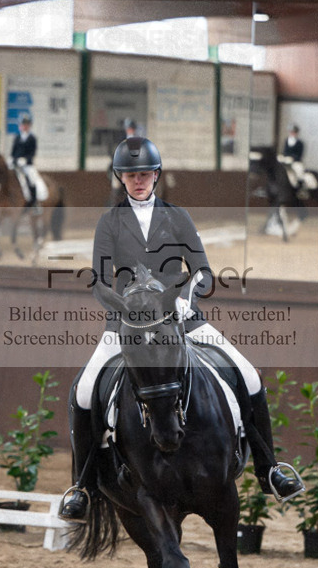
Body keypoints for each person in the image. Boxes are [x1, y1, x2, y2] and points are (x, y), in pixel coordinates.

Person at [59, 135, 303, 521]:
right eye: (130, 175)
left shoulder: (179, 217)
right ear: (120, 178)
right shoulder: (109, 222)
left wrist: (190, 292)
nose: (138, 180)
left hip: (183, 320)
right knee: (84, 391)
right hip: (129, 325)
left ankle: (269, 468)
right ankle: (83, 487)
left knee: (250, 376)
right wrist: (123, 308)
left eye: (145, 174)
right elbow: (101, 280)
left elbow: (204, 271)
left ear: (156, 175)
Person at [8, 115, 47, 205]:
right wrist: (13, 159)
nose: (24, 126)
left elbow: (32, 153)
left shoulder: (32, 138)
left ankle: (35, 203)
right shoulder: (17, 138)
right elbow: (13, 152)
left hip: (27, 165)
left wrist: (25, 160)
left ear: (29, 126)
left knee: (32, 181)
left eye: (26, 125)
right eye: (23, 125)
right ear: (20, 126)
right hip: (16, 164)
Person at [280, 124, 318, 197]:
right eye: (291, 132)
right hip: (286, 162)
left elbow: (300, 155)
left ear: (296, 133)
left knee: (299, 172)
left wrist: (292, 158)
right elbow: (284, 151)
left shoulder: (300, 143)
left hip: (296, 162)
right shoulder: (286, 141)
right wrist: (283, 156)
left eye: (294, 132)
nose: (292, 133)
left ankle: (301, 189)